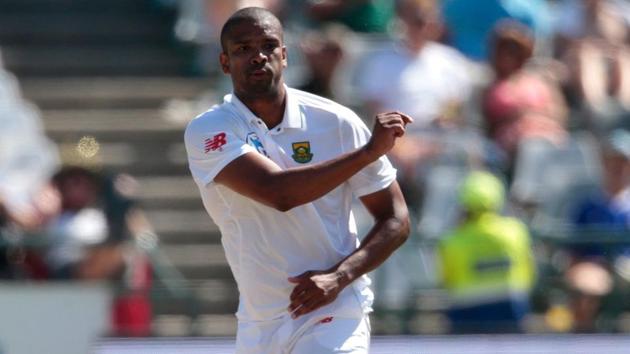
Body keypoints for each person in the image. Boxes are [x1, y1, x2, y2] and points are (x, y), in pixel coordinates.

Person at [184, 7, 412, 353]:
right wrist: (366, 153)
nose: (258, 56)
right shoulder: (209, 129)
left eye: (269, 45)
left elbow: (396, 218)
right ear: (224, 62)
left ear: (285, 55)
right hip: (259, 321)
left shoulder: (337, 121)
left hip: (335, 311)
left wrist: (339, 277)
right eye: (243, 48)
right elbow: (278, 193)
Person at [437, 170, 536, 333]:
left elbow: (446, 279)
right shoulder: (516, 232)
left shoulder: (451, 241)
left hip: (465, 313)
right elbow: (529, 270)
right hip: (512, 308)